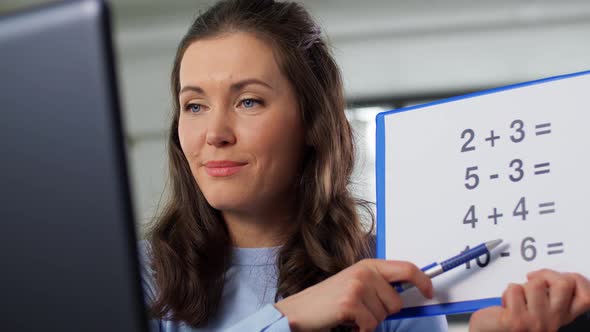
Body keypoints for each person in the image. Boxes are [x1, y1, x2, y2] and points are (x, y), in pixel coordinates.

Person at [138, 0, 590, 331]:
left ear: (312, 123)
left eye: (248, 101)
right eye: (194, 106)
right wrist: (288, 318)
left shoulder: (385, 278)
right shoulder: (139, 273)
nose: (214, 132)